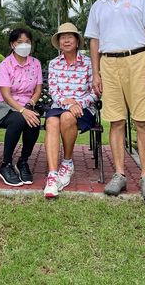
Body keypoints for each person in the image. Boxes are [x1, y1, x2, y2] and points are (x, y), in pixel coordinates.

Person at [85, 0, 145, 202]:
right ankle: (119, 174)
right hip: (108, 64)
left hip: (138, 60)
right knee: (116, 121)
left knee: (143, 121)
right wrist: (95, 73)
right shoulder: (98, 5)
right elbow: (94, 41)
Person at [43, 23, 98, 198]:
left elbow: (96, 92)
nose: (66, 40)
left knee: (67, 118)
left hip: (84, 109)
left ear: (77, 41)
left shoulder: (89, 63)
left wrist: (77, 104)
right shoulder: (54, 64)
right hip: (60, 106)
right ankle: (52, 176)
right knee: (52, 121)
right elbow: (53, 91)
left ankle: (67, 163)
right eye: (62, 37)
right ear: (59, 42)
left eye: (70, 36)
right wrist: (69, 104)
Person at [0, 28, 43, 186]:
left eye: (27, 42)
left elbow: (38, 89)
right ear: (12, 44)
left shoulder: (35, 63)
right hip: (4, 105)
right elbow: (5, 94)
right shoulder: (6, 65)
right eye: (20, 42)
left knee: (34, 121)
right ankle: (5, 164)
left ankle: (23, 162)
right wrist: (22, 110)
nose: (24, 45)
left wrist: (30, 104)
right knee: (19, 120)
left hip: (26, 105)